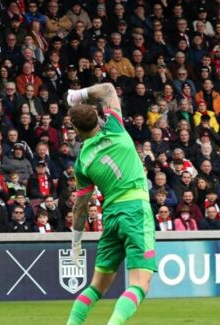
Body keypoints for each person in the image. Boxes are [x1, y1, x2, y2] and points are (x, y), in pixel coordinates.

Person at [66, 83, 156, 325]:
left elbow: (80, 206)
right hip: (136, 211)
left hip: (111, 217)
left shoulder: (82, 162)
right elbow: (107, 89)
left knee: (96, 287)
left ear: (74, 129)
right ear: (98, 118)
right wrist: (78, 95)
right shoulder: (115, 129)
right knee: (140, 284)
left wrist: (76, 242)